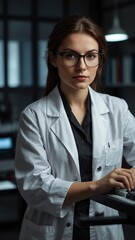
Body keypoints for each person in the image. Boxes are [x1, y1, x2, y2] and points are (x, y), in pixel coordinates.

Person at [15, 15, 135, 240]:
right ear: (53, 58)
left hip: (106, 229)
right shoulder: (34, 116)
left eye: (91, 56)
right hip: (51, 231)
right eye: (71, 55)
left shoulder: (117, 109)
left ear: (99, 59)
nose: (82, 66)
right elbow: (34, 186)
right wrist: (96, 186)